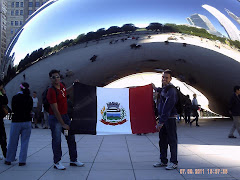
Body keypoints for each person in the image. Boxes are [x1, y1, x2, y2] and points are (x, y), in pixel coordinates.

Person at [47, 69, 84, 170]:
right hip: (56, 120)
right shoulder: (51, 91)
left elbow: (65, 91)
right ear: (50, 79)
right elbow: (55, 110)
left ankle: (73, 159)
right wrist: (63, 124)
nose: (56, 79)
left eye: (58, 76)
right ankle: (57, 162)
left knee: (70, 137)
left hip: (65, 116)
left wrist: (74, 85)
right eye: (54, 77)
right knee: (57, 140)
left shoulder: (61, 86)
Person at [152, 69, 178, 170]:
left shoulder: (171, 90)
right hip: (163, 118)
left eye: (166, 78)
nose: (164, 79)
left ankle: (174, 161)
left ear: (170, 79)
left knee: (172, 140)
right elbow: (160, 91)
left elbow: (167, 107)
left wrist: (161, 122)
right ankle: (163, 160)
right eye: (163, 77)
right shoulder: (164, 88)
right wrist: (154, 88)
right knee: (162, 140)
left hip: (170, 119)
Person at [5, 82, 33, 166]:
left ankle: (9, 159)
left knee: (13, 141)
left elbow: (13, 108)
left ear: (20, 88)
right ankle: (22, 160)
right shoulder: (29, 98)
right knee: (25, 142)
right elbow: (30, 109)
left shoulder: (15, 97)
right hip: (27, 121)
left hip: (16, 121)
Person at [0, 80, 8, 160]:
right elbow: (5, 101)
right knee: (2, 137)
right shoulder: (1, 95)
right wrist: (4, 93)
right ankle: (6, 155)